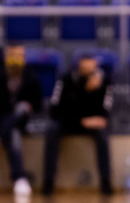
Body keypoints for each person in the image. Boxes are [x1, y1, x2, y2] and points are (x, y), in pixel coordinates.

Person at [0, 44, 43, 198]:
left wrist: (30, 106)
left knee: (20, 108)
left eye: (19, 55)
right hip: (1, 121)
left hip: (23, 120)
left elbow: (38, 102)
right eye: (12, 55)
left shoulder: (30, 75)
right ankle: (19, 178)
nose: (16, 59)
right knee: (13, 134)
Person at [42, 54, 113, 195]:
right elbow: (54, 111)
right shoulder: (66, 80)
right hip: (69, 122)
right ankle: (48, 180)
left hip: (90, 124)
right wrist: (81, 119)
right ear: (79, 67)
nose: (89, 73)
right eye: (85, 70)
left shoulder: (104, 82)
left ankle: (106, 181)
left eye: (91, 70)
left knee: (102, 135)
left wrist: (94, 92)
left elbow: (103, 114)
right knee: (52, 130)